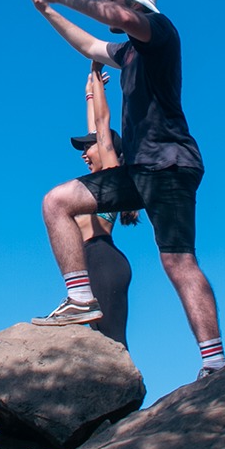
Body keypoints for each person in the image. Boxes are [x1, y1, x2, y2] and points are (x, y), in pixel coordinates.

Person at [22, 0, 225, 380]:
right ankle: (81, 298)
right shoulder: (128, 52)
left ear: (134, 6)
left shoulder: (159, 31)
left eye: (113, 1)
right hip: (138, 170)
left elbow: (122, 18)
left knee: (178, 261)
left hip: (170, 163)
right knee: (57, 201)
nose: (107, 8)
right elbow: (90, 45)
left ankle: (215, 362)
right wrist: (47, 11)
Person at [68, 62, 136, 347]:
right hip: (92, 261)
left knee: (113, 343)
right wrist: (89, 94)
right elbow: (95, 131)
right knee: (96, 344)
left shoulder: (112, 175)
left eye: (89, 148)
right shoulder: (97, 185)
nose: (84, 154)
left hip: (103, 260)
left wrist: (97, 78)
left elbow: (101, 124)